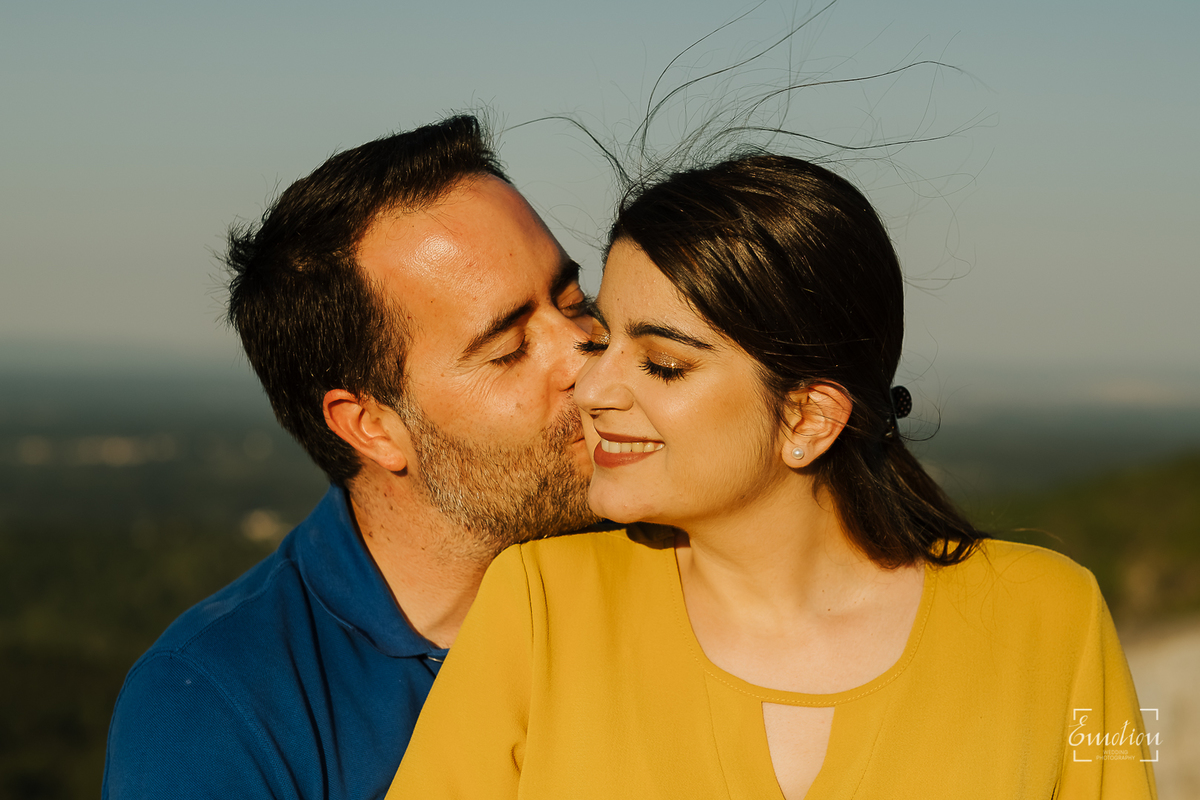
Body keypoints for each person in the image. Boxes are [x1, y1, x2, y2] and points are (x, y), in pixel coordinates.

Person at [390, 153, 1157, 798]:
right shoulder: (538, 607)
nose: (592, 391)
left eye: (662, 363)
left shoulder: (1051, 618)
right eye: (604, 338)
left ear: (808, 419)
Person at [101, 115, 599, 800]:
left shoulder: (689, 569)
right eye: (509, 348)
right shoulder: (219, 707)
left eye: (574, 300)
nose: (583, 354)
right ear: (371, 426)